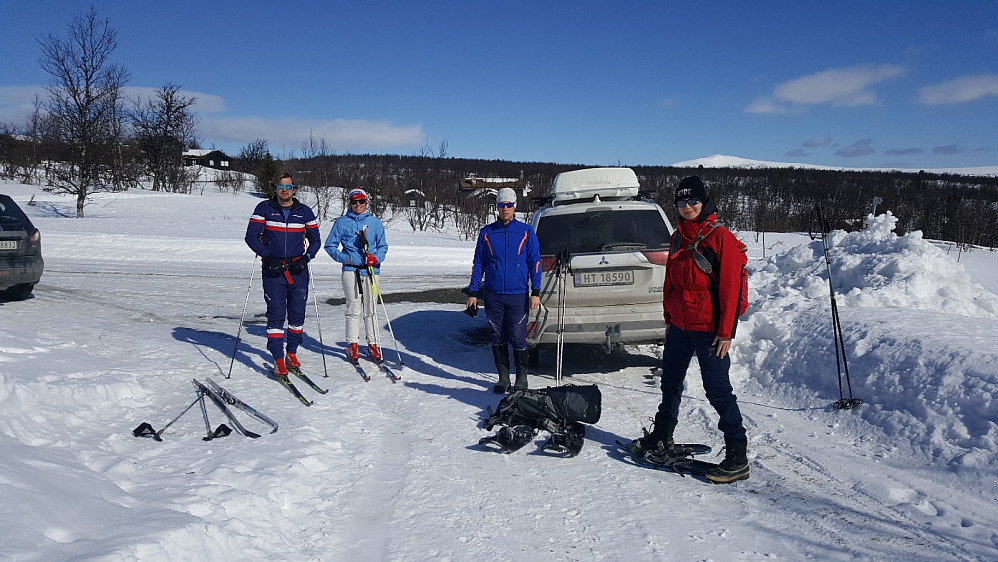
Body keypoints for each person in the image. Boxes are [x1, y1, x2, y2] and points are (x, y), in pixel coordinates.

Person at [632, 176, 750, 484]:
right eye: (681, 203)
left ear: (704, 201)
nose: (687, 208)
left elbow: (729, 288)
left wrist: (726, 332)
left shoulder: (719, 236)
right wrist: (669, 320)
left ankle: (737, 457)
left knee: (718, 390)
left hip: (710, 330)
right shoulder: (677, 237)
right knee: (670, 382)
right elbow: (670, 282)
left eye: (692, 202)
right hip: (680, 327)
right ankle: (662, 435)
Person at [244, 173, 321, 378]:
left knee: (297, 315)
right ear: (275, 188)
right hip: (273, 270)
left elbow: (315, 241)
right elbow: (251, 237)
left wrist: (306, 258)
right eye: (280, 186)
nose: (284, 190)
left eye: (288, 186)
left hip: (298, 270)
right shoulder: (264, 209)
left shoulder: (304, 212)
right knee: (276, 315)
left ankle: (292, 353)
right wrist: (268, 257)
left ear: (294, 189)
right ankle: (278, 358)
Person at [466, 187, 542, 393]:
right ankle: (503, 379)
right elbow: (478, 263)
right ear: (496, 207)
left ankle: (521, 379)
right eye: (501, 205)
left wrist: (535, 291)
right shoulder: (487, 233)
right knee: (497, 336)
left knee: (518, 336)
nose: (505, 208)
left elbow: (535, 262)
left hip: (518, 295)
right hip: (493, 295)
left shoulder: (526, 232)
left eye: (509, 205)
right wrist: (473, 292)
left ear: (515, 206)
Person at [324, 188, 388, 362]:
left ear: (366, 202)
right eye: (354, 201)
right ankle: (352, 345)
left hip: (371, 270)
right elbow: (330, 246)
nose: (357, 204)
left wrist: (375, 258)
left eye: (361, 201)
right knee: (353, 309)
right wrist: (348, 258)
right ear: (349, 203)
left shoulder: (375, 223)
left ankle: (373, 345)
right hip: (351, 271)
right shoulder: (341, 223)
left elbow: (383, 246)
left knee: (371, 309)